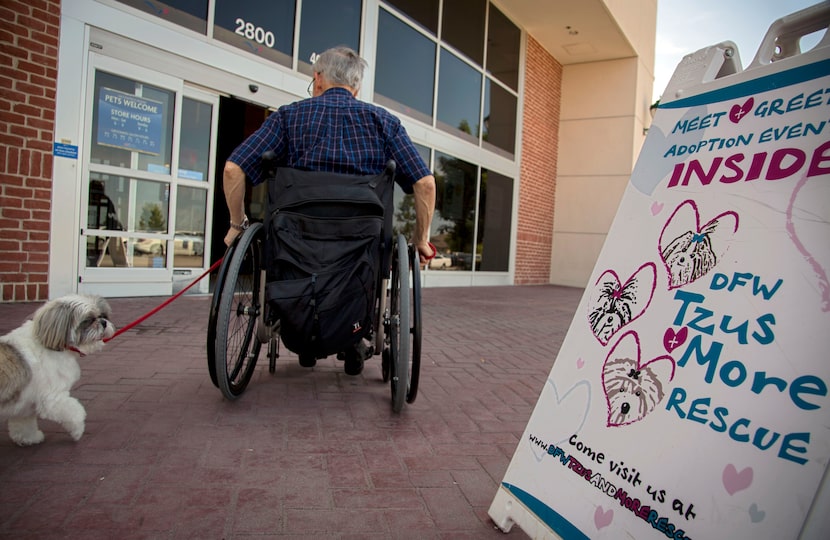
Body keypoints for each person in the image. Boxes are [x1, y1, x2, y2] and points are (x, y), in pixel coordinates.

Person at [222, 46, 436, 375]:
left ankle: (302, 329)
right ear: (357, 86)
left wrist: (237, 226)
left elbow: (233, 170)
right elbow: (425, 185)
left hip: (294, 242)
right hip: (359, 249)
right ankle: (350, 337)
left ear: (318, 79)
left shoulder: (288, 117)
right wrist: (421, 240)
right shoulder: (383, 122)